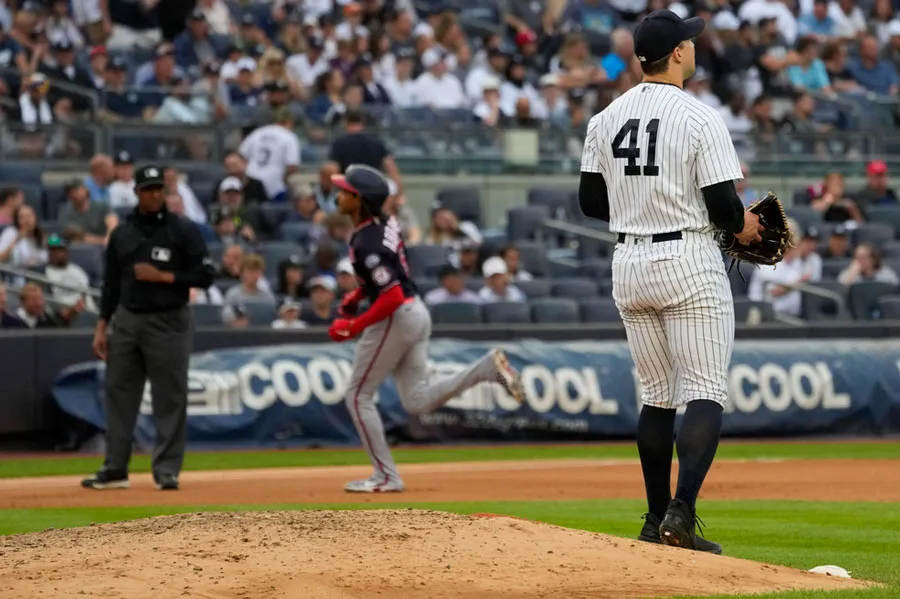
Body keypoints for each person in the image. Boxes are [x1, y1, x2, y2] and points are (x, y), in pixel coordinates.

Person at [578, 9, 765, 554]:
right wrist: (743, 225)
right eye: (690, 40)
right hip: (686, 256)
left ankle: (654, 518)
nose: (694, 46)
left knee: (657, 396)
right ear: (678, 53)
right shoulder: (700, 116)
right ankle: (680, 515)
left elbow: (590, 202)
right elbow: (723, 206)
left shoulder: (605, 117)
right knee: (704, 391)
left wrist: (640, 206)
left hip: (629, 261)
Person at [328, 164, 525, 493]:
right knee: (416, 401)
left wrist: (354, 325)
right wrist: (356, 296)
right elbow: (388, 277)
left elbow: (390, 294)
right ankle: (485, 369)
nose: (338, 195)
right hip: (415, 311)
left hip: (397, 315)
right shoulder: (384, 223)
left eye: (345, 191)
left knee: (358, 396)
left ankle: (386, 476)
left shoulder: (367, 240)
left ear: (359, 200)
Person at [82, 165, 216, 492]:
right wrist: (102, 325)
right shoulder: (122, 232)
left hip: (169, 319)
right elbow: (111, 284)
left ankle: (167, 469)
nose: (155, 195)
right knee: (119, 393)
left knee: (169, 396)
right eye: (148, 189)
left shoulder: (182, 228)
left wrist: (165, 277)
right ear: (137, 192)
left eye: (159, 189)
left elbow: (206, 275)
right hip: (127, 319)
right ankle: (115, 467)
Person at [327, 110, 404, 195]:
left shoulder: (339, 144)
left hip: (350, 192)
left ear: (345, 123)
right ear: (362, 123)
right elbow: (391, 168)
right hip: (373, 191)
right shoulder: (377, 143)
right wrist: (399, 193)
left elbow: (333, 169)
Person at [238, 107, 301, 202]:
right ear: (289, 122)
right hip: (274, 184)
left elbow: (241, 156)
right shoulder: (289, 136)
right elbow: (293, 166)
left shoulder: (257, 133)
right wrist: (284, 179)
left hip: (252, 179)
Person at [44, 233, 98, 314]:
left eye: (61, 250)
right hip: (64, 313)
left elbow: (86, 293)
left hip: (87, 311)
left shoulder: (77, 270)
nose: (58, 254)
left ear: (67, 252)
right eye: (54, 251)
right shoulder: (44, 272)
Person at [58, 179, 118, 245]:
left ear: (86, 190)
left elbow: (113, 222)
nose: (73, 193)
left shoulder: (102, 206)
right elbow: (78, 236)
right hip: (84, 248)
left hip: (109, 245)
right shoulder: (66, 212)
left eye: (76, 189)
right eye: (69, 192)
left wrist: (109, 238)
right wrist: (104, 242)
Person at [221, 254, 277, 323]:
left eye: (257, 271)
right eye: (250, 271)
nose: (254, 275)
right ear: (242, 273)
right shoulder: (233, 295)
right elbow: (225, 318)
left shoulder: (268, 297)